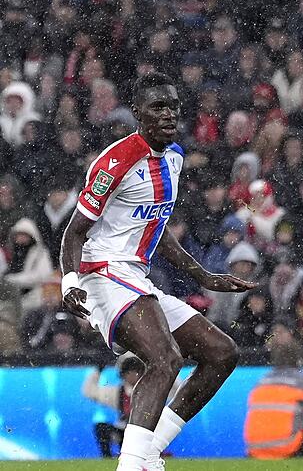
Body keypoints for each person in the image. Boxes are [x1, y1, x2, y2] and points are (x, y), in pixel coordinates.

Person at [60, 72, 256, 471]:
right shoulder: (114, 162)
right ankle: (131, 466)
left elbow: (157, 228)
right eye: (157, 108)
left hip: (136, 277)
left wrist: (205, 277)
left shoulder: (175, 158)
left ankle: (150, 451)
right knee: (165, 358)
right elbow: (74, 232)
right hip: (103, 272)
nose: (168, 115)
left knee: (222, 354)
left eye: (173, 107)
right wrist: (69, 282)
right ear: (138, 113)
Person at [243, 340, 303, 458]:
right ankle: (297, 460)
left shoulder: (262, 381)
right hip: (285, 446)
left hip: (254, 447)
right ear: (299, 358)